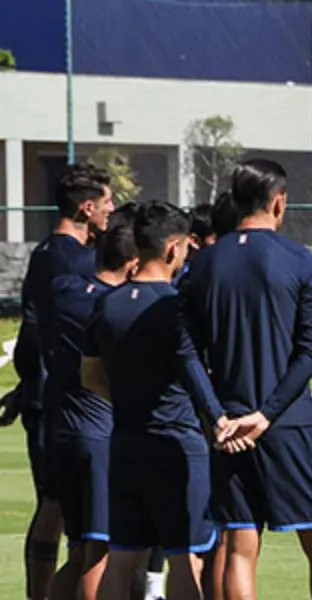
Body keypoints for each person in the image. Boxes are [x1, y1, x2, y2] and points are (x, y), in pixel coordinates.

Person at [181, 159, 312, 600]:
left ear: (235, 202)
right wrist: (268, 413)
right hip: (287, 422)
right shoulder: (301, 260)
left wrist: (216, 416)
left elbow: (187, 352)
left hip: (230, 426)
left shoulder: (203, 265)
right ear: (279, 202)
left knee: (240, 544)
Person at [79, 201, 233, 600]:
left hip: (126, 444)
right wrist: (218, 419)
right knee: (185, 558)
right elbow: (191, 369)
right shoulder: (173, 306)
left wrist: (132, 398)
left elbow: (90, 376)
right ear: (173, 249)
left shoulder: (107, 302)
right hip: (176, 446)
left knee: (121, 559)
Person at [8, 163, 114, 600]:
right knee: (80, 519)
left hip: (44, 393)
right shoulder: (82, 262)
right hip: (73, 401)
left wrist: (25, 384)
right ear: (87, 208)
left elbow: (32, 330)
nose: (111, 211)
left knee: (53, 503)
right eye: (107, 203)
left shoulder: (44, 253)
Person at [45, 212, 139, 600]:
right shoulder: (113, 310)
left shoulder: (64, 291)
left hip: (63, 432)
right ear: (133, 265)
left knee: (80, 549)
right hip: (99, 436)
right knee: (100, 553)